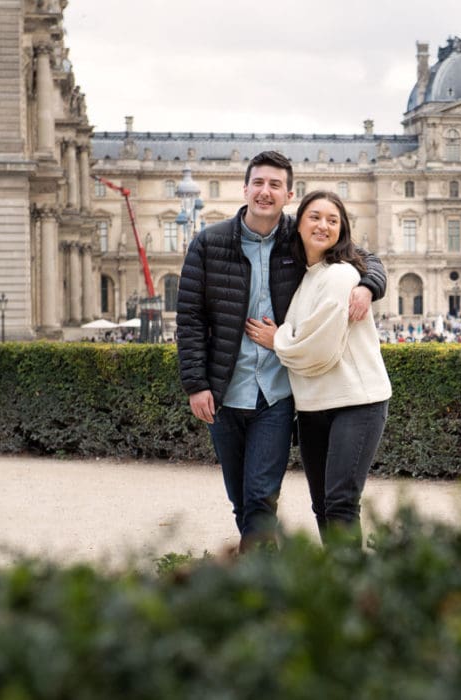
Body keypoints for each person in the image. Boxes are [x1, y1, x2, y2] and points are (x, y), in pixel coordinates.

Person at [176, 151, 386, 553]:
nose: (265, 192)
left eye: (275, 185)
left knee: (260, 496)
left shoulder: (299, 235)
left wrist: (368, 285)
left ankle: (261, 582)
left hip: (276, 392)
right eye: (258, 183)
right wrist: (196, 383)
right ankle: (265, 569)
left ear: (289, 194)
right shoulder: (209, 241)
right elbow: (189, 317)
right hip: (224, 391)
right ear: (245, 188)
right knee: (242, 499)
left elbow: (362, 257)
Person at [248, 190, 391, 546]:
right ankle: (337, 585)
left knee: (341, 504)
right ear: (297, 226)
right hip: (313, 406)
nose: (323, 225)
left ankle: (352, 592)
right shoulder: (307, 277)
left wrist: (278, 339)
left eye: (332, 219)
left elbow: (318, 351)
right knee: (323, 506)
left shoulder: (341, 276)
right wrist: (290, 339)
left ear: (342, 230)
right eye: (314, 217)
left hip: (356, 402)